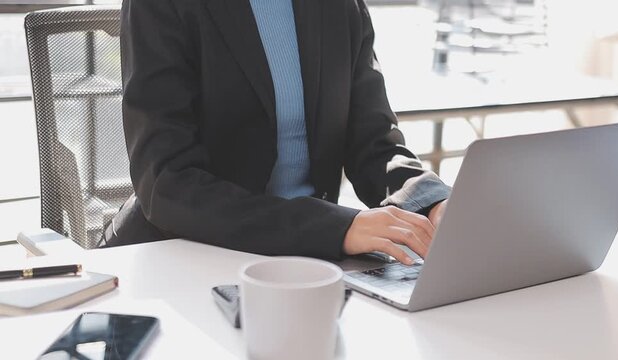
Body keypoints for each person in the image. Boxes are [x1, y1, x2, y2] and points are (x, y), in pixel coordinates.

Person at [104, 0, 452, 265]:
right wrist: (336, 229)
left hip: (308, 264)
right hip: (179, 257)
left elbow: (373, 141)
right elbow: (167, 183)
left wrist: (431, 202)